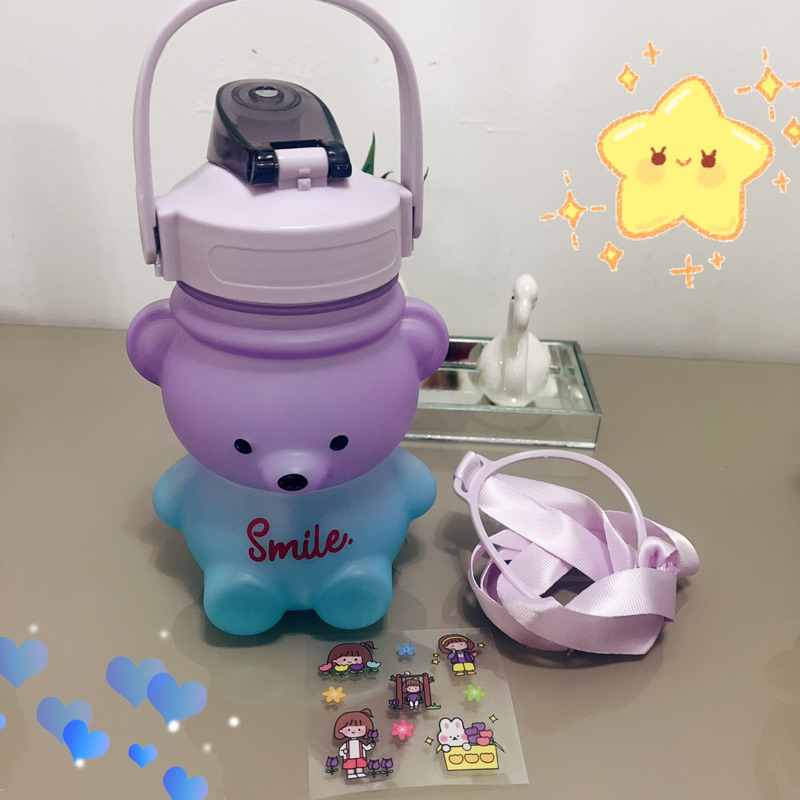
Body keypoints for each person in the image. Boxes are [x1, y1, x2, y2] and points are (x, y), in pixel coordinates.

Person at [334, 708, 376, 779]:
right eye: (349, 729)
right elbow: (341, 751)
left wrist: (371, 745)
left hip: (360, 756)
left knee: (360, 764)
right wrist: (343, 752)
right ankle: (351, 773)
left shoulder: (360, 743)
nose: (353, 731)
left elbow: (365, 748)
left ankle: (360, 772)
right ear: (340, 730)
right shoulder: (346, 744)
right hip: (349, 757)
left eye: (359, 729)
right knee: (350, 765)